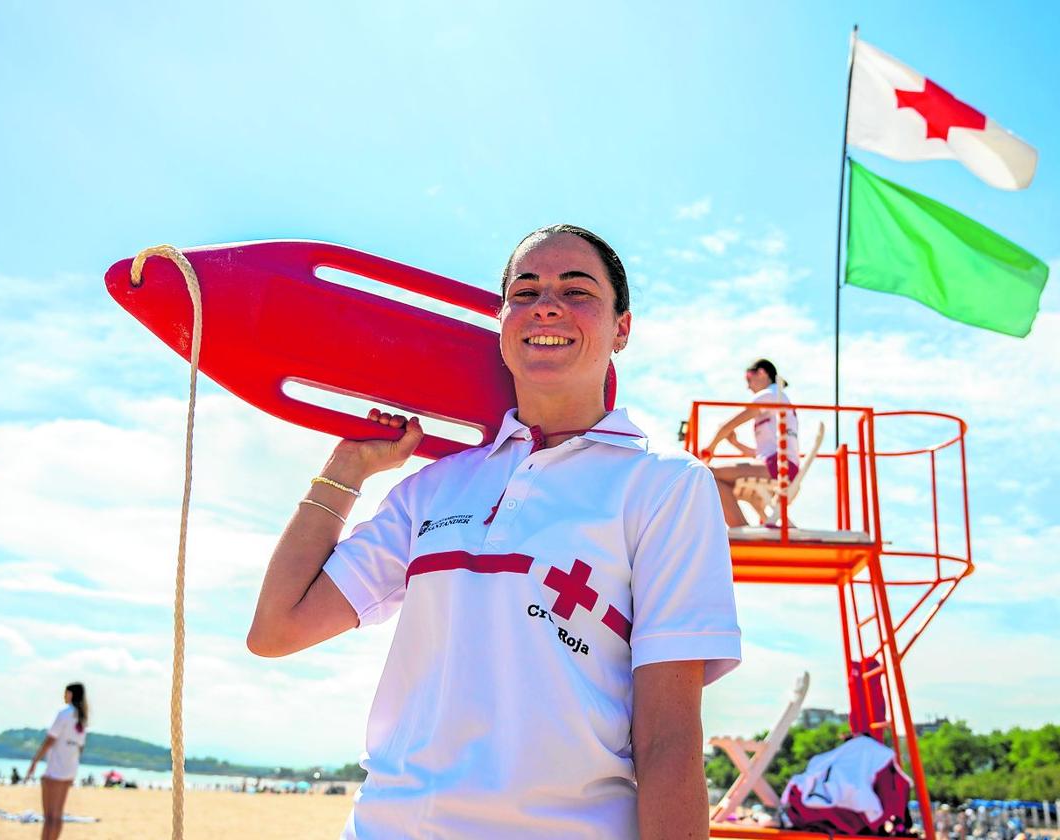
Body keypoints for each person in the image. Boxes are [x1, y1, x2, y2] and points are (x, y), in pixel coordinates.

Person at [248, 224, 741, 839]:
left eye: (577, 290)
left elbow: (669, 738)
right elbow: (277, 628)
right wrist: (346, 469)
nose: (547, 305)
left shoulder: (666, 487)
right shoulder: (436, 487)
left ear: (622, 328)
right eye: (525, 290)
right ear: (502, 322)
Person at [700, 359, 800, 528]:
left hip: (779, 466)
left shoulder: (770, 394)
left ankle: (741, 530)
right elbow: (760, 453)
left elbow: (727, 425)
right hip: (778, 464)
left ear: (762, 372)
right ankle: (742, 529)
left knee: (707, 473)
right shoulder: (777, 398)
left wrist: (708, 450)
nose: (748, 386)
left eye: (748, 378)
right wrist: (735, 443)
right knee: (717, 482)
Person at [26, 682, 88, 840]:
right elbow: (80, 748)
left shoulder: (65, 713)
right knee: (57, 815)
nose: (64, 696)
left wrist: (35, 761)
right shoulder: (82, 719)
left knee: (49, 816)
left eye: (66, 693)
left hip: (55, 769)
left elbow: (50, 740)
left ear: (71, 694)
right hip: (70, 769)